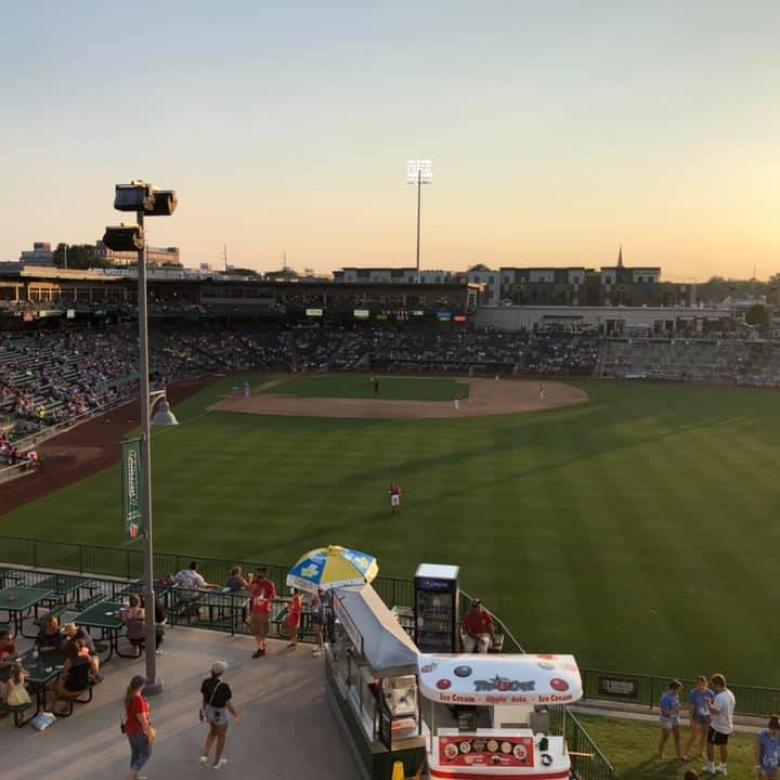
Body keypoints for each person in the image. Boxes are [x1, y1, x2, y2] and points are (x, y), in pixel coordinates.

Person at [199, 661, 240, 770]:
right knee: (221, 736)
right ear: (221, 673)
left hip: (209, 710)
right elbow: (228, 704)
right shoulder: (224, 686)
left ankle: (205, 756)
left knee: (212, 731)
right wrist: (236, 714)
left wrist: (205, 711)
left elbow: (204, 699)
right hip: (220, 713)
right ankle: (217, 762)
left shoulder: (205, 682)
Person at [47, 638, 92, 714]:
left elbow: (64, 676)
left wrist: (59, 682)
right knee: (71, 681)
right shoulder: (86, 658)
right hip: (84, 684)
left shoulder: (69, 662)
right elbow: (89, 668)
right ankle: (66, 705)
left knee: (53, 685)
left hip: (72, 690)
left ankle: (52, 707)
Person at [703, 673, 736, 776]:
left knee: (710, 743)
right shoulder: (730, 694)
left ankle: (710, 767)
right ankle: (723, 767)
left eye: (713, 685)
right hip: (727, 725)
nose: (713, 688)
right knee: (723, 745)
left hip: (718, 726)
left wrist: (709, 703)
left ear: (717, 684)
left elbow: (715, 711)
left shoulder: (720, 697)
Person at [124, 674, 155, 780]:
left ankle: (134, 777)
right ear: (141, 686)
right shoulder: (138, 699)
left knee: (136, 753)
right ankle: (132, 774)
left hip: (129, 730)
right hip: (137, 731)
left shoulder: (130, 697)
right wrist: (149, 732)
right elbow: (142, 719)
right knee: (147, 753)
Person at [683, 676, 715, 761]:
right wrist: (690, 719)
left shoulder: (710, 693)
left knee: (704, 736)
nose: (700, 686)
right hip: (696, 717)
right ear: (696, 684)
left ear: (706, 683)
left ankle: (701, 751)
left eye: (702, 684)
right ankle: (685, 754)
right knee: (693, 736)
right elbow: (691, 707)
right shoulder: (693, 693)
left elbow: (712, 706)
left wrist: (712, 717)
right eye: (698, 684)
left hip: (707, 717)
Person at [248, 568, 276, 658]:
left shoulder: (269, 584)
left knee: (262, 630)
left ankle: (261, 647)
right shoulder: (255, 583)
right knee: (256, 630)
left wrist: (266, 600)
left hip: (264, 610)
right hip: (255, 609)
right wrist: (251, 585)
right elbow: (250, 593)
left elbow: (273, 596)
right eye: (258, 572)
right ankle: (261, 647)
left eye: (261, 573)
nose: (259, 574)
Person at [658, 679, 683, 760]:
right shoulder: (665, 698)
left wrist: (678, 708)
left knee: (678, 737)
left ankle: (679, 755)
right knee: (665, 737)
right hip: (667, 720)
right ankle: (661, 753)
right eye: (679, 689)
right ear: (673, 688)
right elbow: (665, 713)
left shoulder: (676, 695)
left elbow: (676, 705)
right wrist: (676, 709)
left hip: (675, 718)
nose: (680, 691)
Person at [0, 628, 17, 701]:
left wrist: (7, 659)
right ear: (1, 640)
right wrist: (10, 662)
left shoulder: (9, 645)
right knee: (8, 690)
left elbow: (16, 653)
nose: (10, 640)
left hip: (6, 671)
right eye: (7, 639)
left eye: (10, 638)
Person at [311, 588, 326, 657]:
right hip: (315, 615)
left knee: (319, 632)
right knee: (316, 632)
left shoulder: (323, 597)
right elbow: (312, 605)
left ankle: (321, 648)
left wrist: (317, 598)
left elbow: (321, 605)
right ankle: (318, 645)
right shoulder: (315, 597)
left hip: (320, 616)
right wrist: (313, 599)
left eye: (320, 591)